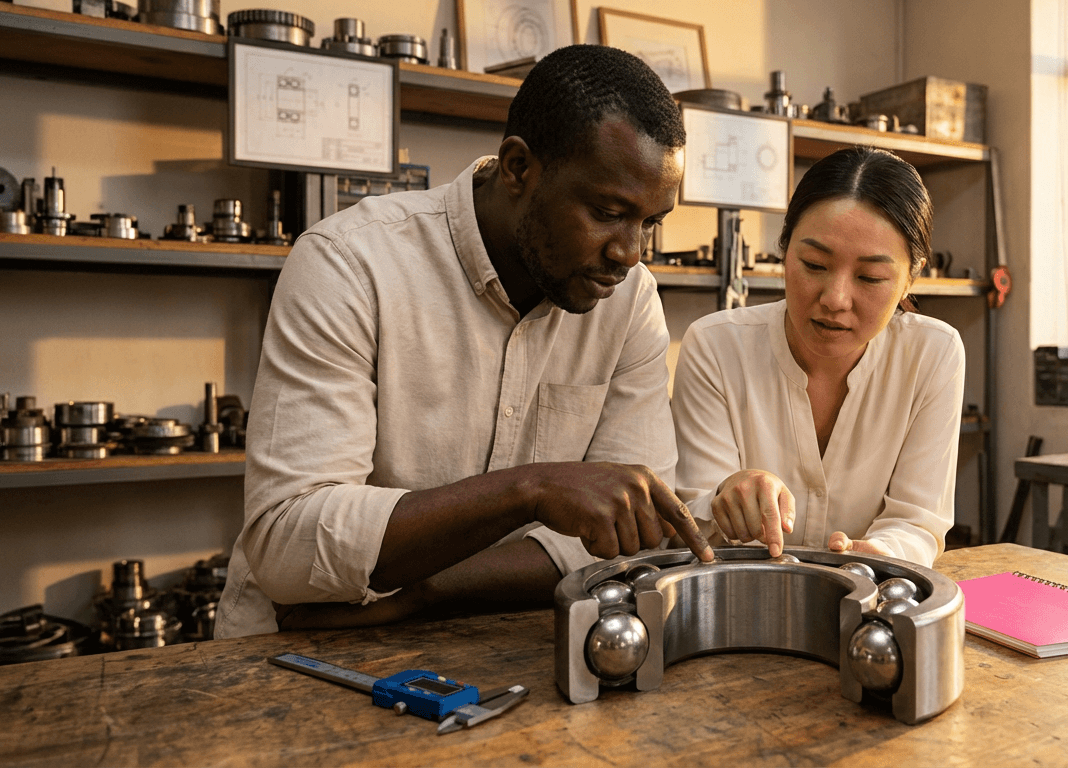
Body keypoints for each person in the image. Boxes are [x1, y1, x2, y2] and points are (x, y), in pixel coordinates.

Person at [215, 45, 713, 639]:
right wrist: (531, 490)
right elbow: (289, 541)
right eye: (607, 212)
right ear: (518, 168)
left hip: (485, 640)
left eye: (651, 222)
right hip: (301, 651)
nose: (629, 253)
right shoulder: (349, 264)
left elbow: (634, 538)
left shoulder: (630, 302)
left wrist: (423, 593)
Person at [670, 146, 963, 567]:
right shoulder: (716, 347)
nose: (835, 299)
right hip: (741, 591)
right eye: (814, 264)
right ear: (784, 250)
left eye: (870, 277)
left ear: (910, 278)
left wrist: (885, 553)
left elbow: (917, 522)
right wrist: (728, 497)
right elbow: (694, 517)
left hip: (869, 593)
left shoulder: (932, 354)